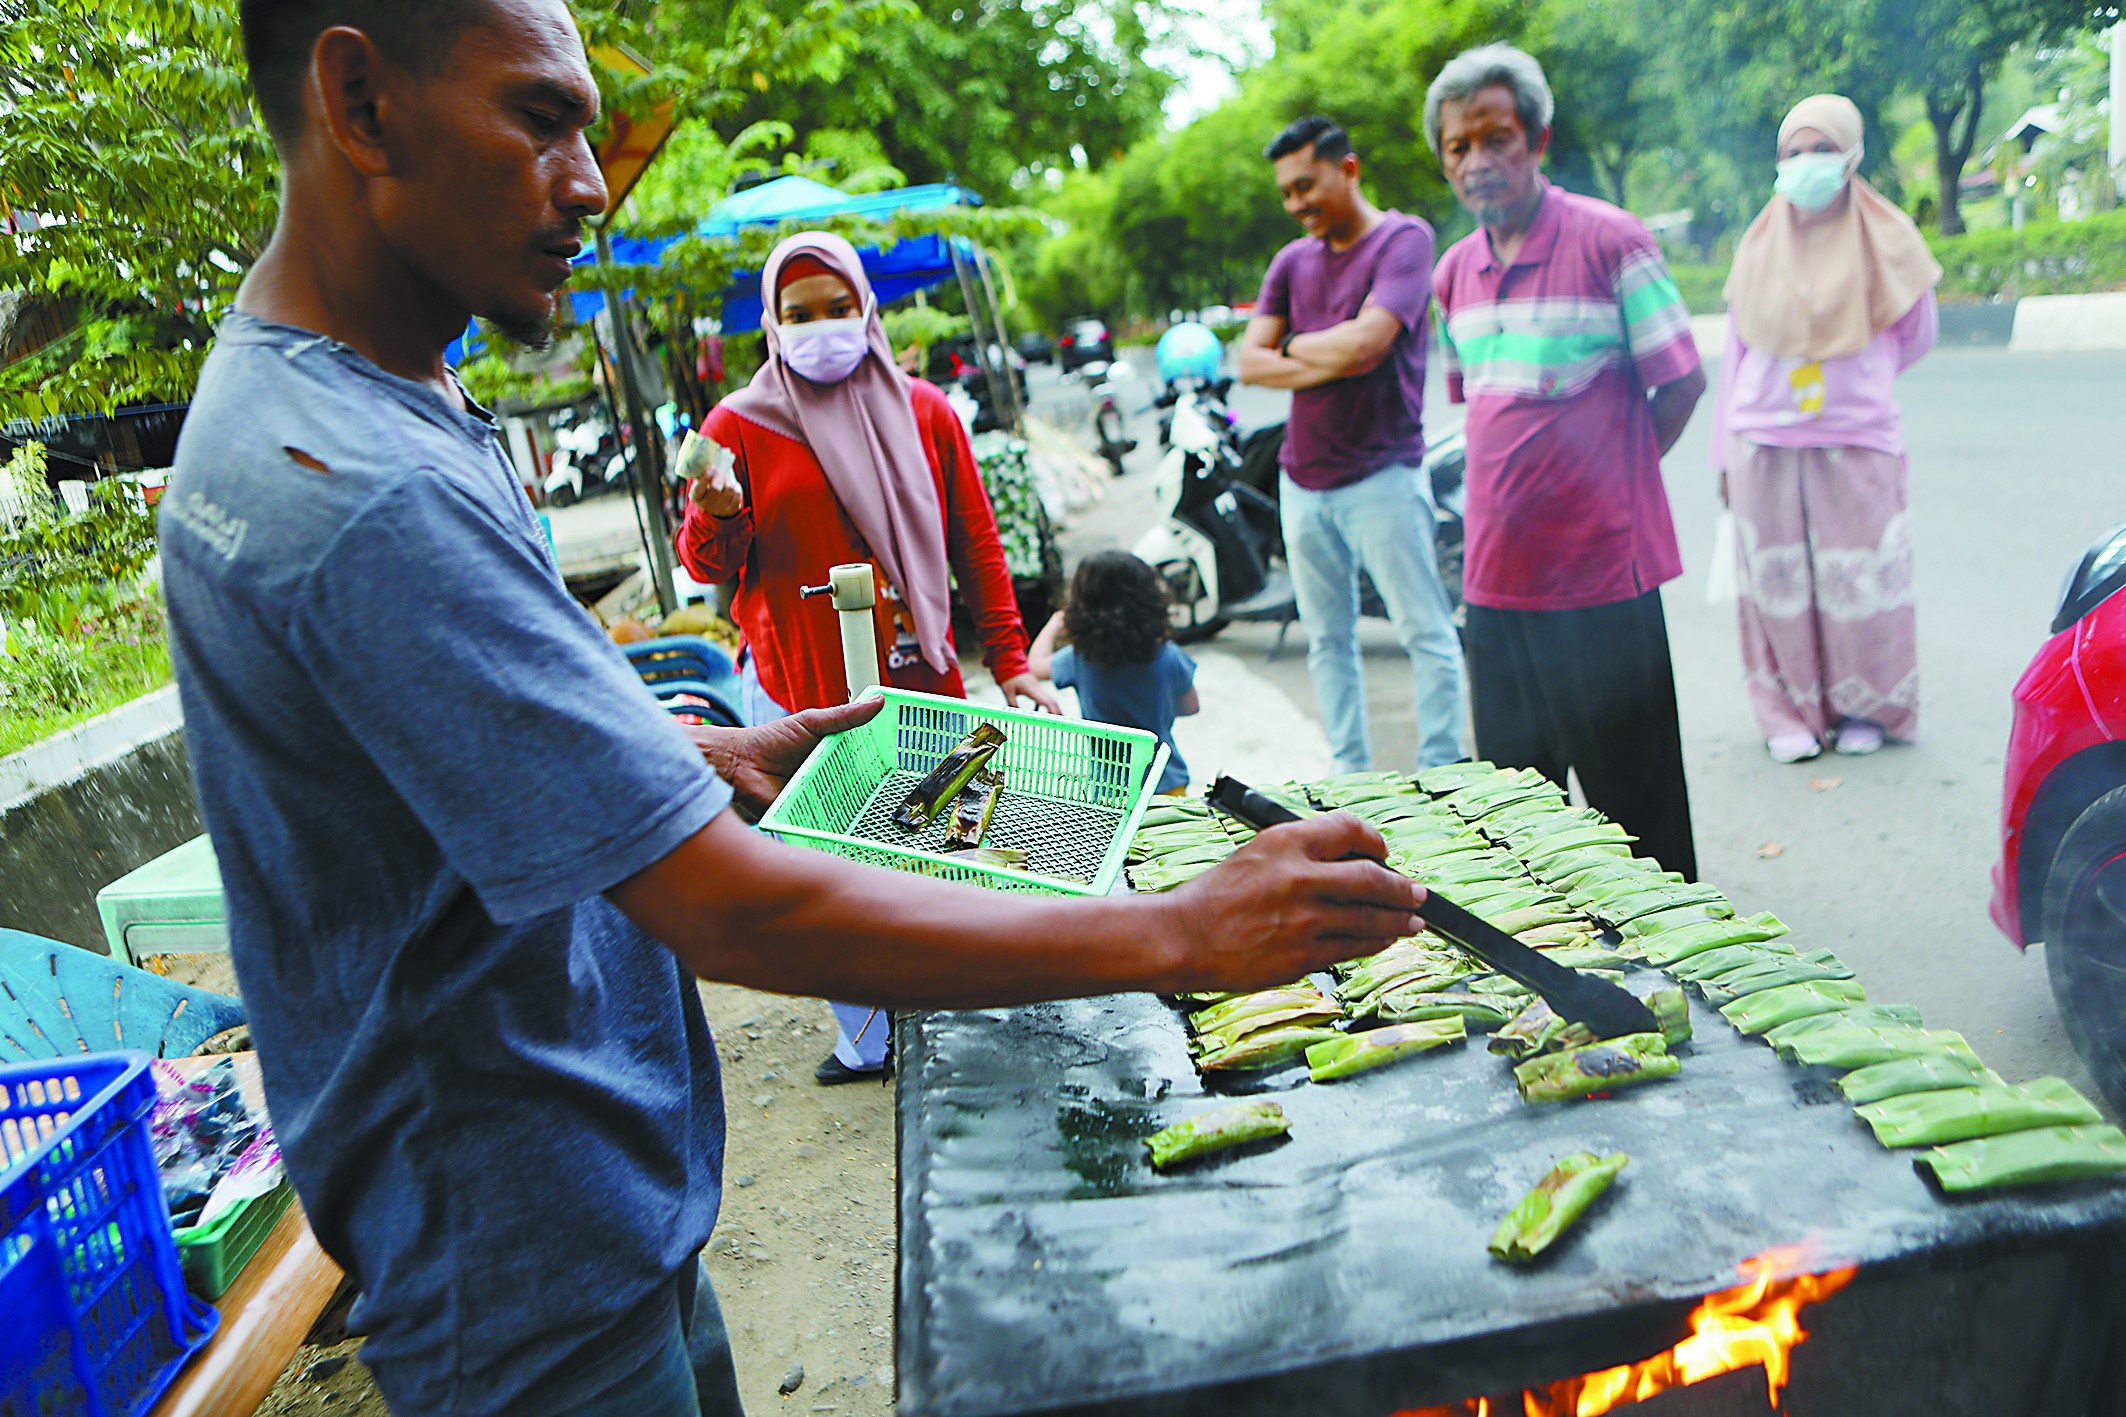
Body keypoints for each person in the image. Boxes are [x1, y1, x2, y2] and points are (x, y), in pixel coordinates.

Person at [163, 5, 1425, 1416]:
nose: (588, 180)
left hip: (567, 1213)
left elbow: (438, 753)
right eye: (538, 119)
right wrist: (1177, 932)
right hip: (513, 1255)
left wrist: (702, 748)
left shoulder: (338, 404)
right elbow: (731, 910)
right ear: (360, 101)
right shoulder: (353, 484)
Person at [674, 230, 1062, 1084]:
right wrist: (719, 511)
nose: (821, 328)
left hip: (921, 675)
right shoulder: (735, 425)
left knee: (944, 840)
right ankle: (866, 1034)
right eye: (797, 313)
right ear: (771, 325)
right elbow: (705, 567)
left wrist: (1012, 658)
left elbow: (977, 544)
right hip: (797, 682)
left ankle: (956, 1004)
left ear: (866, 309)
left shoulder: (925, 409)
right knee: (828, 865)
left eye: (837, 308)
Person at [1424, 45, 1708, 878]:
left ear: (1538, 139)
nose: (1478, 162)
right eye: (1458, 148)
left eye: (1497, 139)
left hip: (1601, 586)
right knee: (1519, 822)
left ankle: (1672, 986)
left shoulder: (1610, 241)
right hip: (1495, 585)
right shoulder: (1454, 276)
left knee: (1639, 818)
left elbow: (1682, 383)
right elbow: (1483, 411)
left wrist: (1613, 482)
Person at [1713, 93, 1940, 764]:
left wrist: (1856, 377)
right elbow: (1735, 357)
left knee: (1864, 581)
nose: (1807, 165)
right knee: (1776, 587)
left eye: (1822, 150)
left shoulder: (1890, 237)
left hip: (1859, 436)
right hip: (1763, 440)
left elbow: (1917, 333)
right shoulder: (1757, 247)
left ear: (1852, 156)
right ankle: (1787, 714)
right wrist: (1721, 456)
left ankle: (1865, 708)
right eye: (1793, 153)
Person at [1237, 116, 1466, 773]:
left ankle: (1443, 771)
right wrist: (1329, 350)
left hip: (1383, 475)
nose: (1297, 202)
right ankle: (1349, 775)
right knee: (1327, 640)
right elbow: (1250, 365)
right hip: (1302, 481)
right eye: (1286, 192)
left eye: (1307, 185)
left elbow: (1371, 345)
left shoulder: (1404, 240)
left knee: (1425, 630)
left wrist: (1294, 346)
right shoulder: (1290, 261)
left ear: (1350, 169)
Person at [1028, 551, 1200, 794]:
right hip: (1165, 782)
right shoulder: (1168, 655)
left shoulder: (1080, 659)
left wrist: (1054, 624)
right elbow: (1190, 706)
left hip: (1111, 792)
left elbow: (1034, 666)